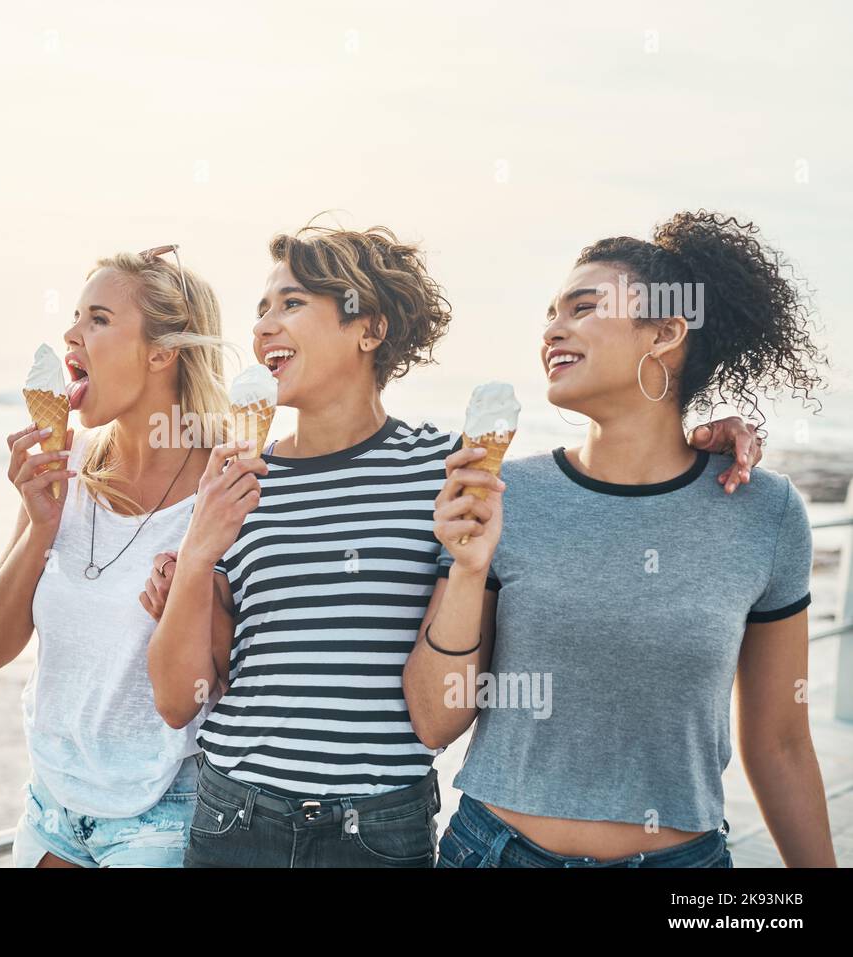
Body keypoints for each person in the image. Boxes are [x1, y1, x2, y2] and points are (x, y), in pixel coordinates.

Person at [142, 219, 767, 868]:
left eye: (292, 303)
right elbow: (178, 700)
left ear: (370, 327)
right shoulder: (232, 481)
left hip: (381, 830)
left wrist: (704, 440)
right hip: (235, 817)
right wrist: (195, 558)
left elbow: (599, 487)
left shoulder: (449, 472)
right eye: (261, 309)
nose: (264, 327)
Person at [407, 210, 836, 868]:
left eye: (582, 307)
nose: (553, 328)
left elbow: (780, 742)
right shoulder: (501, 497)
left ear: (665, 331)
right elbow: (436, 720)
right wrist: (467, 569)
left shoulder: (764, 510)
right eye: (550, 313)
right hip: (494, 851)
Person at [0, 246, 230, 867]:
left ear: (162, 352)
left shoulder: (227, 487)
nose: (71, 333)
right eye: (76, 315)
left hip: (165, 809)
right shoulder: (69, 463)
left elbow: (203, 689)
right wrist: (40, 527)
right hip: (50, 804)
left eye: (99, 319)